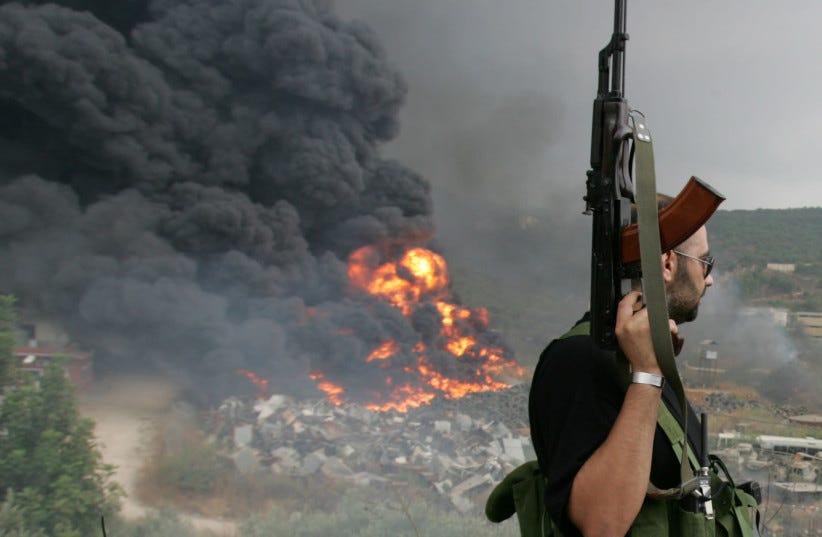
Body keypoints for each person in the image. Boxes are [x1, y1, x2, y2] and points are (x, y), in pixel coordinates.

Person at [528, 223, 716, 537]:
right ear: (667, 263)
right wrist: (648, 375)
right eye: (705, 262)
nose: (708, 279)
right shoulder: (580, 360)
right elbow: (601, 525)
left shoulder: (634, 357)